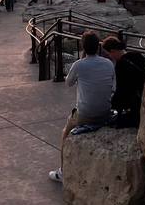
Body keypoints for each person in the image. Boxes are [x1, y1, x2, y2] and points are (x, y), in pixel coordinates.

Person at [49, 30, 114, 182]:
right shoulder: (108, 63)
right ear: (98, 46)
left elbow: (68, 83)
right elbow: (113, 86)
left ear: (83, 47)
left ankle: (63, 171)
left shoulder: (79, 65)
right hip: (105, 111)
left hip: (86, 114)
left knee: (65, 131)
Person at [101, 36, 145, 127]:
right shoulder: (137, 55)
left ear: (113, 51)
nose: (110, 57)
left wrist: (112, 103)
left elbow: (122, 90)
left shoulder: (120, 65)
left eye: (109, 54)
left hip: (134, 104)